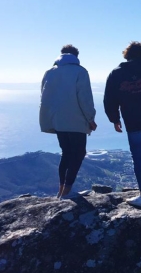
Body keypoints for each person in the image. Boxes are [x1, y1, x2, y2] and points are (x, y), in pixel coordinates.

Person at [103, 41, 141, 208]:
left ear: (127, 54)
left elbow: (109, 99)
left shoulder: (116, 73)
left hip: (133, 121)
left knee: (137, 157)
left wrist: (115, 119)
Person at [40, 44, 97, 198]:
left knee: (66, 153)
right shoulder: (80, 71)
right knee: (78, 153)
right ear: (76, 56)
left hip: (57, 120)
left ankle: (61, 190)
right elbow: (84, 98)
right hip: (76, 119)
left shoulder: (49, 73)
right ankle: (67, 191)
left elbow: (44, 96)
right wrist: (90, 119)